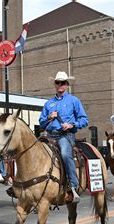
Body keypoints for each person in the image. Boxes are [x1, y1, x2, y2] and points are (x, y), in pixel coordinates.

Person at [39, 71, 89, 204]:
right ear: (55, 85)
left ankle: (73, 185)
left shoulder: (74, 100)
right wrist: (49, 117)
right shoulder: (48, 103)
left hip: (65, 136)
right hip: (49, 135)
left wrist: (72, 124)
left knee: (66, 154)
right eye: (57, 82)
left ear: (67, 85)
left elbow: (84, 120)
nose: (60, 85)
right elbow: (41, 123)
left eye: (63, 83)